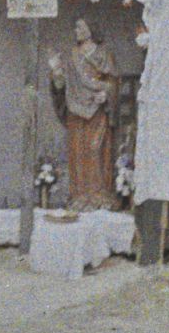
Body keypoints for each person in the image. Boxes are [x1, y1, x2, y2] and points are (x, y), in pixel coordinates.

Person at [49, 18, 120, 211]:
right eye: (76, 26)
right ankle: (79, 195)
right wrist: (56, 72)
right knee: (77, 150)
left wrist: (106, 93)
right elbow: (61, 86)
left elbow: (114, 82)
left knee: (95, 150)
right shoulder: (71, 55)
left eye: (80, 26)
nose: (76, 30)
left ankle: (99, 195)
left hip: (97, 110)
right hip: (75, 109)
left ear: (91, 28)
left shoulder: (103, 54)